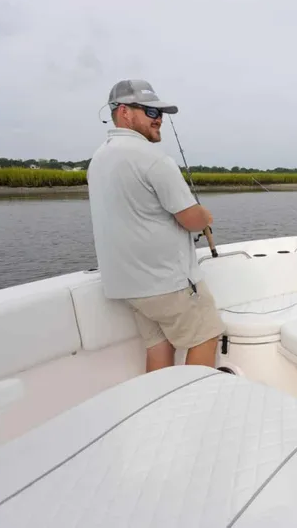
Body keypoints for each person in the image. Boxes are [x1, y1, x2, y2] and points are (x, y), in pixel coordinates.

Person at [87, 79, 225, 373]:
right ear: (125, 112)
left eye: (159, 112)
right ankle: (192, 408)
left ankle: (159, 411)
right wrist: (206, 216)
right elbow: (191, 219)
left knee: (160, 345)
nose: (159, 118)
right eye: (150, 111)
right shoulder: (153, 158)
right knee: (207, 334)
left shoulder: (98, 159)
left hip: (128, 286)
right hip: (167, 283)